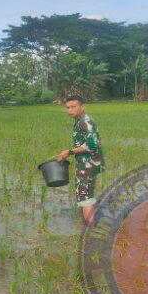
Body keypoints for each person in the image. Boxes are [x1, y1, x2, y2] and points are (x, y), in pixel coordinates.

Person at [56, 94, 104, 226]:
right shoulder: (80, 120)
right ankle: (92, 227)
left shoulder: (85, 122)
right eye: (67, 107)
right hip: (86, 164)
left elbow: (93, 145)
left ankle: (90, 231)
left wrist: (69, 151)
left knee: (85, 197)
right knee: (86, 195)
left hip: (88, 165)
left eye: (73, 107)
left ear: (82, 107)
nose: (70, 110)